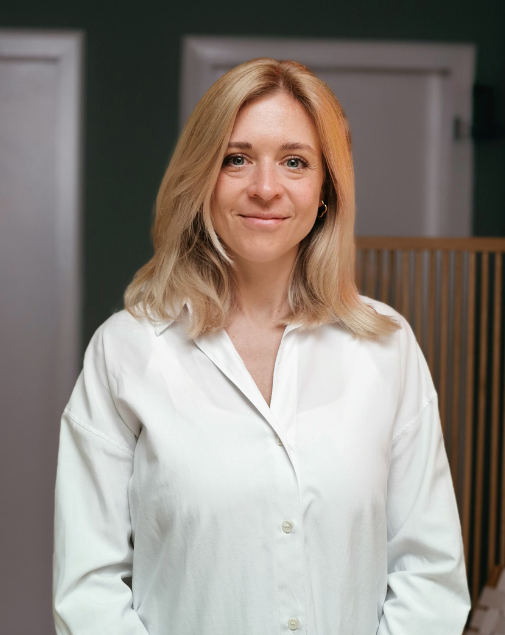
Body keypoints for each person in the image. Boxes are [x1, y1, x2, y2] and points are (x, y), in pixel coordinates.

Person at [52, 58, 471, 635]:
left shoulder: (386, 347)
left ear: (325, 190)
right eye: (236, 159)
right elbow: (88, 588)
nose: (266, 188)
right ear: (201, 177)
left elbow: (429, 573)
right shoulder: (125, 351)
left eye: (295, 162)